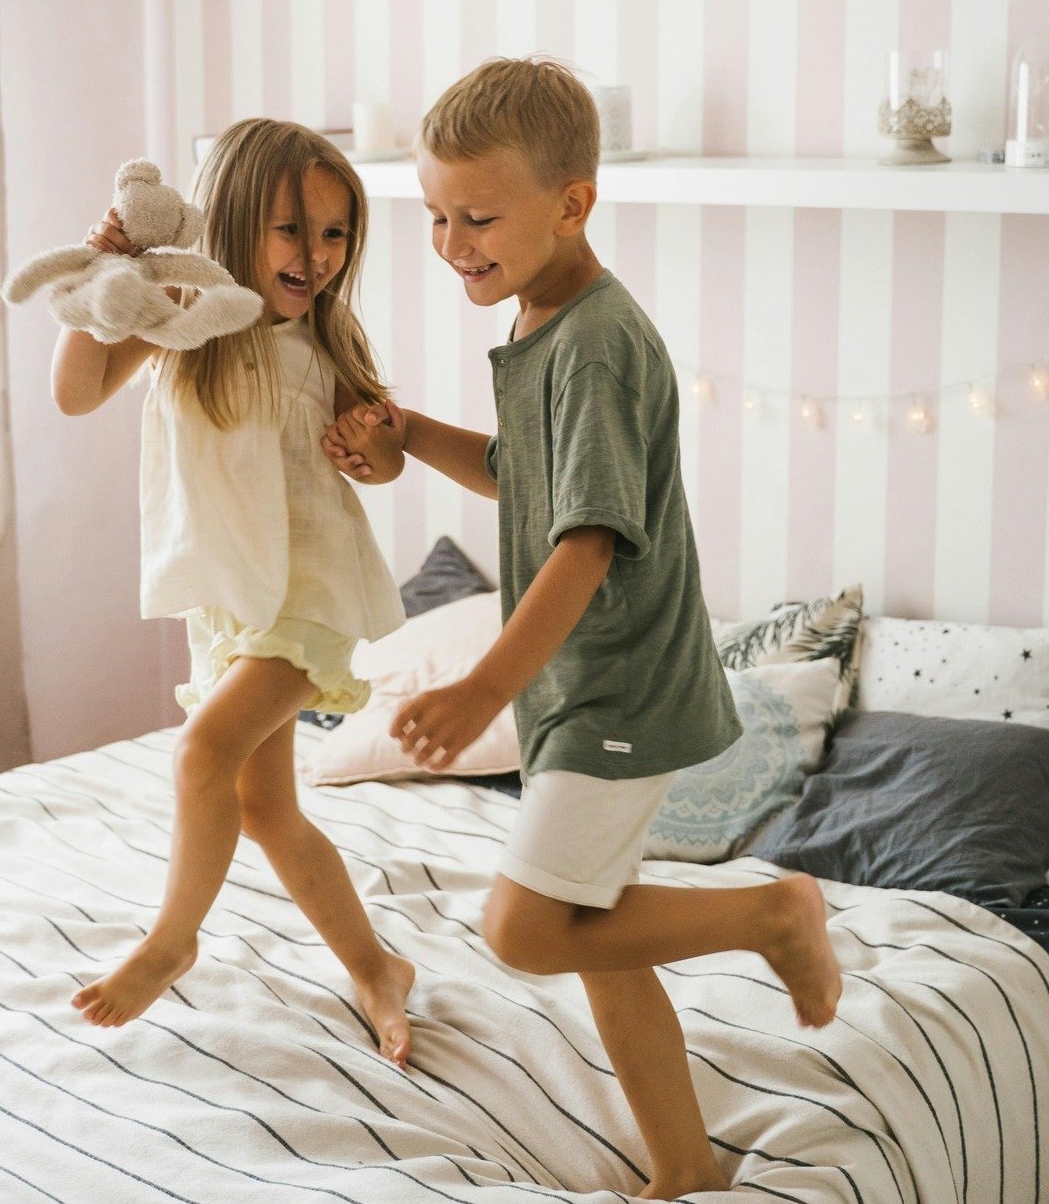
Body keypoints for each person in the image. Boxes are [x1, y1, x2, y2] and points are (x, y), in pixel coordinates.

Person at [325, 59, 842, 1195]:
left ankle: (773, 909)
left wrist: (479, 687)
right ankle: (683, 1167)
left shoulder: (599, 342)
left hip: (613, 689)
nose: (455, 241)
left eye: (480, 215)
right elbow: (529, 476)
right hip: (584, 691)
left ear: (572, 202)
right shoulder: (544, 317)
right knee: (601, 934)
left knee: (522, 928)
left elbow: (584, 542)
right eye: (437, 217)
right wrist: (409, 432)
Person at [51, 118, 414, 1059]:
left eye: (336, 234)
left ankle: (173, 940)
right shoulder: (182, 316)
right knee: (264, 808)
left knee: (201, 753)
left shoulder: (326, 342)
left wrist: (371, 451)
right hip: (230, 600)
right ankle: (378, 968)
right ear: (238, 218)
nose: (319, 255)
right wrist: (104, 270)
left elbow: (378, 459)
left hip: (310, 590)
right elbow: (77, 389)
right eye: (295, 229)